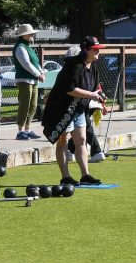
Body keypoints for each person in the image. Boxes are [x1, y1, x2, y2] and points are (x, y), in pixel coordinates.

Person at [41, 36, 107, 186]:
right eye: (94, 49)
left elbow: (95, 89)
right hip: (63, 109)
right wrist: (92, 95)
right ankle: (65, 177)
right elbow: (70, 90)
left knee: (81, 140)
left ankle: (85, 175)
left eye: (98, 49)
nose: (98, 52)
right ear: (85, 50)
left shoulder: (93, 67)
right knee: (63, 141)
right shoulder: (73, 66)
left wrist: (101, 103)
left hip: (79, 109)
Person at [64, 45, 106, 164]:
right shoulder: (78, 68)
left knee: (84, 128)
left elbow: (96, 88)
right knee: (80, 131)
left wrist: (102, 104)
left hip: (84, 104)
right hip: (83, 103)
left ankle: (96, 151)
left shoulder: (88, 68)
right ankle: (71, 152)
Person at [12, 24, 45, 140]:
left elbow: (35, 62)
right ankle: (20, 131)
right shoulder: (20, 47)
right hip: (24, 80)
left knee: (33, 105)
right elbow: (26, 64)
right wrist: (38, 74)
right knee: (24, 105)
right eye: (30, 33)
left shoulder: (28, 47)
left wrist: (42, 72)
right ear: (24, 35)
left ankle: (27, 129)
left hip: (33, 80)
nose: (32, 35)